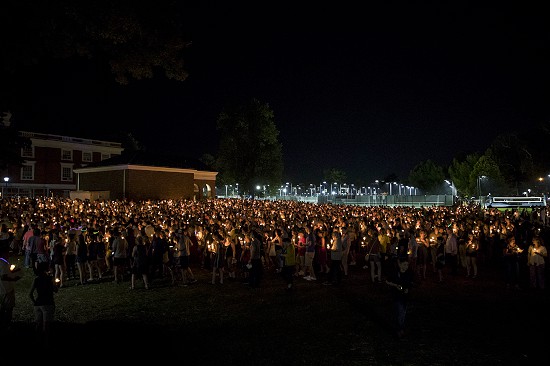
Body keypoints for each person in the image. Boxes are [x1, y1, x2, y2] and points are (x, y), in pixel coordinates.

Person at [29, 261, 58, 345]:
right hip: (48, 304)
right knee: (46, 326)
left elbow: (30, 294)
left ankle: (36, 341)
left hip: (38, 304)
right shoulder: (49, 279)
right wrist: (55, 283)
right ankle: (46, 342)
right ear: (46, 269)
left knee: (38, 325)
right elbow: (55, 290)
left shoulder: (36, 279)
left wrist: (35, 302)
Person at [385, 258, 414, 339]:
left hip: (405, 296)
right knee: (400, 311)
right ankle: (400, 329)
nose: (406, 267)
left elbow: (411, 283)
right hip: (397, 296)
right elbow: (387, 281)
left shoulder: (409, 273)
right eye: (404, 265)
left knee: (403, 312)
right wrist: (395, 285)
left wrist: (408, 288)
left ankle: (399, 327)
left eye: (407, 265)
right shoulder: (395, 273)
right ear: (400, 264)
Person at [0, 245, 22, 331]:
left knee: (2, 308)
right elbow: (3, 276)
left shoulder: (3, 263)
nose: (9, 254)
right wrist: (14, 279)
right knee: (8, 308)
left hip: (2, 289)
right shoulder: (3, 263)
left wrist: (14, 271)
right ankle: (6, 325)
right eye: (8, 252)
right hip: (6, 289)